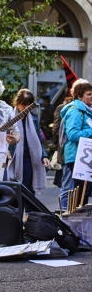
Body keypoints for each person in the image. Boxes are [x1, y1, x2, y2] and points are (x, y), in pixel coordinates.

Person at [6, 89, 49, 196]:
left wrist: (44, 156)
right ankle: (18, 212)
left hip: (31, 157)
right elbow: (1, 137)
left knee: (29, 189)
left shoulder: (33, 118)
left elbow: (39, 140)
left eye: (28, 104)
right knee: (17, 189)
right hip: (14, 157)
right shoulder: (9, 116)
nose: (26, 107)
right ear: (17, 102)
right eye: (23, 104)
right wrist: (5, 150)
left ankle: (30, 213)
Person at [54, 79, 88, 211]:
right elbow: (70, 134)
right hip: (72, 155)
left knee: (80, 190)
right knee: (68, 188)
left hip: (82, 156)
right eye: (89, 94)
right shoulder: (72, 109)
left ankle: (77, 219)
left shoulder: (86, 109)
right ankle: (64, 218)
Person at [60, 81, 92, 206]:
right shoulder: (75, 111)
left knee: (85, 192)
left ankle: (80, 222)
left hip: (85, 157)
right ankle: (76, 223)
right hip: (76, 157)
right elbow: (73, 134)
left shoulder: (86, 110)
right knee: (80, 193)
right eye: (89, 94)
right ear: (79, 96)